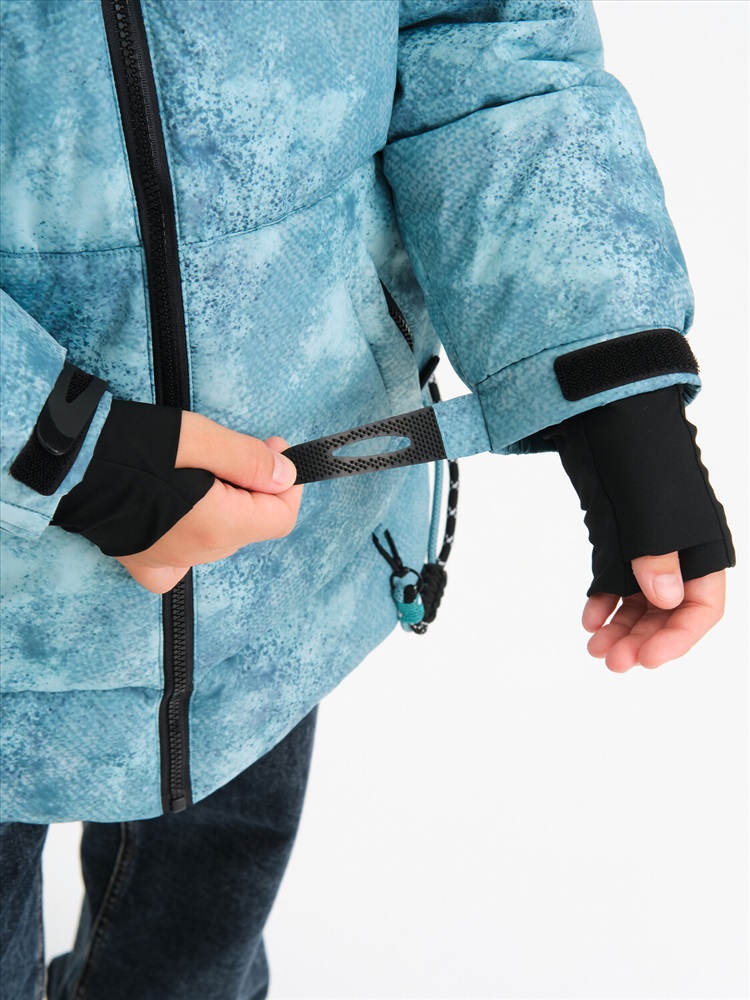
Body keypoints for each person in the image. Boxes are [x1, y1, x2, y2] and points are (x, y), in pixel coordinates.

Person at [0, 1, 735, 998]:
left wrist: (612, 385)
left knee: (197, 964)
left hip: (278, 583)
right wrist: (56, 445)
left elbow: (482, 32)